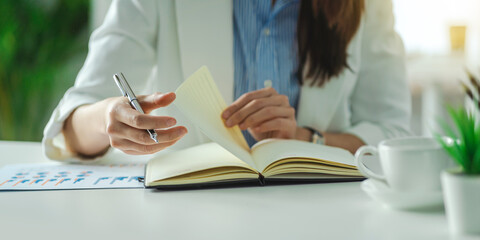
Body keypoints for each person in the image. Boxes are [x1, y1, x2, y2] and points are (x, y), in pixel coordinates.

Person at [43, 0, 411, 161]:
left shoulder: (368, 4)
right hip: (190, 217)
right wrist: (109, 118)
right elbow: (69, 127)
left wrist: (307, 139)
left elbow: (394, 133)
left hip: (322, 214)